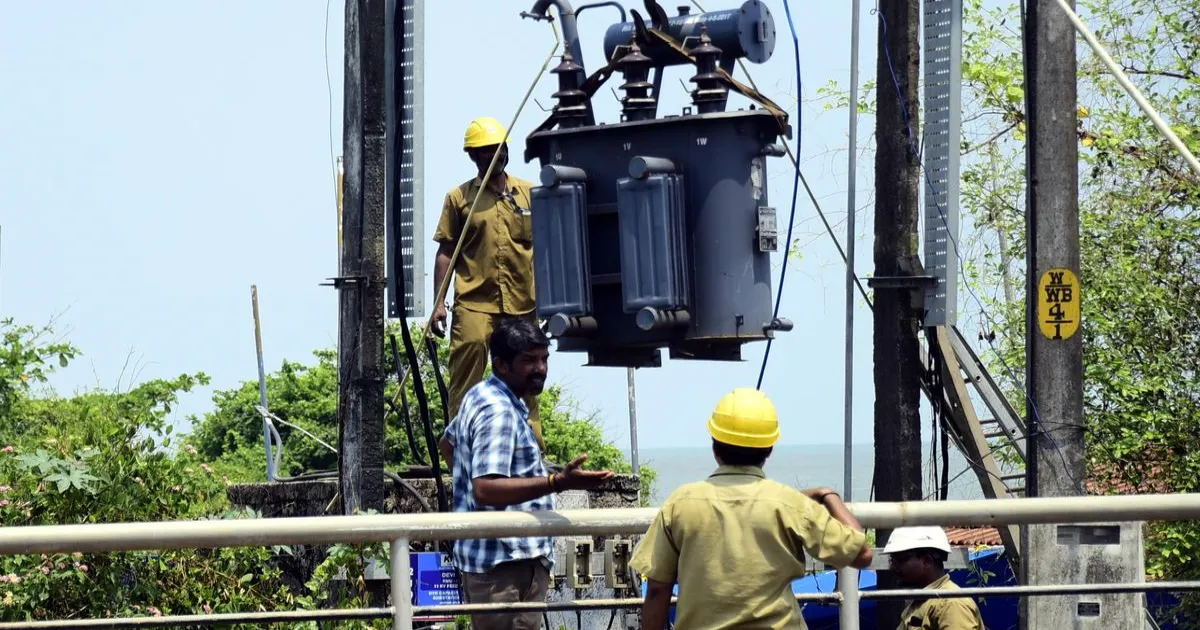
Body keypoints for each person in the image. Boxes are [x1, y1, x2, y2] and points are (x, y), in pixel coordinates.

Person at [630, 388, 874, 630]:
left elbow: (658, 590)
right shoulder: (789, 504)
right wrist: (828, 495)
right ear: (769, 449)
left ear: (715, 446)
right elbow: (862, 555)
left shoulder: (680, 503)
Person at [438, 317, 614, 630]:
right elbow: (486, 489)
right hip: (507, 567)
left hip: (497, 563)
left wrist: (469, 494)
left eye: (544, 359)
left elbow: (447, 444)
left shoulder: (481, 394)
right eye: (529, 361)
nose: (541, 369)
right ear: (501, 365)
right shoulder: (499, 412)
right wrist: (556, 483)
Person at [432, 116, 546, 451]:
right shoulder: (459, 199)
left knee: (529, 373)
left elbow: (548, 248)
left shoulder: (530, 195)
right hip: (474, 302)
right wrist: (438, 304)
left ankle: (531, 448)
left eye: (500, 148)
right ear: (473, 156)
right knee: (467, 368)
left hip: (523, 302)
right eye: (486, 150)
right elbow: (446, 252)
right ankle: (462, 448)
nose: (496, 155)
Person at [881, 526, 984, 630]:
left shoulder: (951, 604)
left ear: (927, 561)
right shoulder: (922, 602)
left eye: (900, 560)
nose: (893, 567)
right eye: (892, 560)